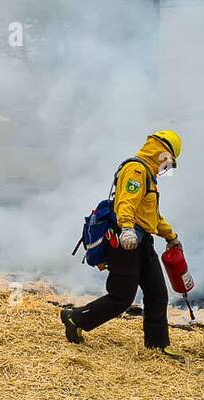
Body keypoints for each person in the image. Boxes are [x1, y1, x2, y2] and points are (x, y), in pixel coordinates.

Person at [61, 130, 184, 353]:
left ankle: (157, 346)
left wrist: (171, 236)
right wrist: (126, 228)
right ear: (162, 153)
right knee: (122, 297)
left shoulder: (149, 175)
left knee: (157, 293)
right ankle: (76, 318)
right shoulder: (136, 170)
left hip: (142, 241)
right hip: (125, 242)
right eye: (170, 162)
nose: (168, 168)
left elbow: (152, 216)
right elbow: (125, 204)